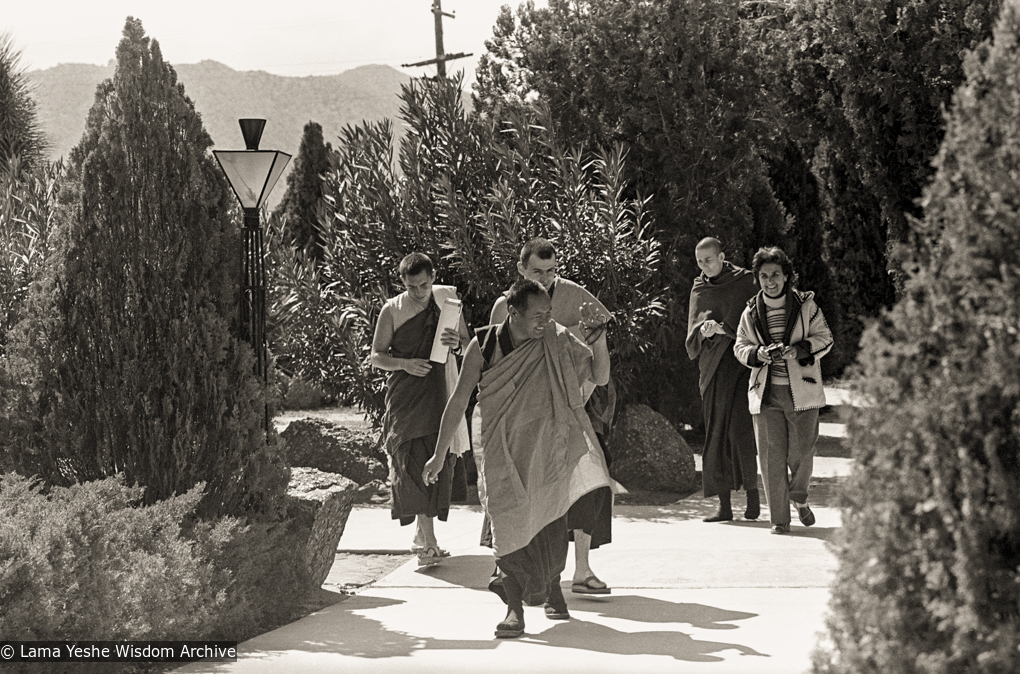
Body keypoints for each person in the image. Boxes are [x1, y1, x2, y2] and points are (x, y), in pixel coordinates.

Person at [424, 279, 611, 639]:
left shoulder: (556, 339)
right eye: (537, 315)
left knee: (549, 526)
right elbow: (460, 400)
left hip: (548, 449)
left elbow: (599, 376)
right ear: (513, 312)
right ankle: (513, 609)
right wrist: (438, 454)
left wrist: (599, 338)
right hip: (501, 451)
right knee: (508, 525)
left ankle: (553, 585)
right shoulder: (486, 344)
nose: (545, 321)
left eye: (548, 314)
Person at [489, 237, 615, 596]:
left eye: (551, 271)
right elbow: (495, 368)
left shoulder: (576, 296)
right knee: (521, 491)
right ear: (521, 270)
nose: (545, 279)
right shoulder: (505, 307)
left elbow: (596, 364)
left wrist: (578, 397)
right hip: (520, 419)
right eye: (536, 272)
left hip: (570, 410)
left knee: (585, 487)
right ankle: (515, 571)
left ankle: (582, 569)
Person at [371, 252, 470, 565]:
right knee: (413, 460)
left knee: (438, 459)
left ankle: (422, 538)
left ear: (433, 277)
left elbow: (468, 344)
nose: (420, 292)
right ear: (403, 282)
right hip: (407, 397)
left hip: (443, 389)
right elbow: (376, 356)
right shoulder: (392, 310)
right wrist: (404, 363)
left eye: (425, 285)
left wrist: (457, 343)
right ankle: (429, 543)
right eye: (413, 287)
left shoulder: (448, 300)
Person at [733, 246, 834, 535]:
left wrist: (799, 350)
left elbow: (825, 338)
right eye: (764, 276)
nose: (770, 281)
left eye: (775, 275)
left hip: (803, 393)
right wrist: (758, 353)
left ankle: (799, 498)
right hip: (765, 394)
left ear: (787, 276)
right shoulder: (750, 311)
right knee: (770, 458)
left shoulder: (806, 305)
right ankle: (780, 519)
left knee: (802, 452)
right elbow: (739, 346)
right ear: (758, 279)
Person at [686, 237, 761, 522]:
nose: (704, 266)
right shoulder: (699, 286)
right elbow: (692, 328)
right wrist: (702, 332)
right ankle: (724, 506)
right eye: (699, 262)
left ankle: (753, 497)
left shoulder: (744, 281)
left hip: (739, 363)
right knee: (715, 434)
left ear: (721, 256)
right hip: (712, 367)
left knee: (740, 431)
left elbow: (755, 317)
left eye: (708, 260)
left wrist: (725, 328)